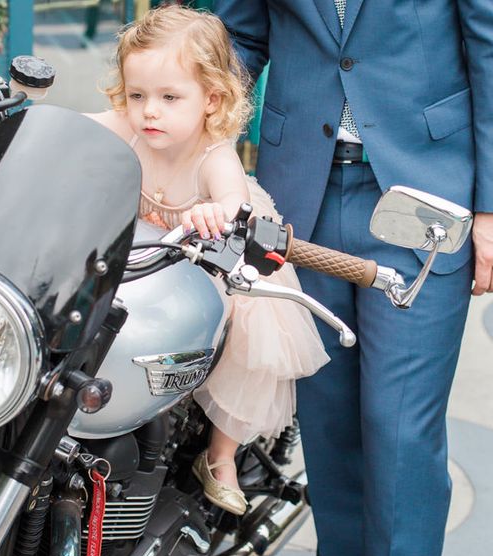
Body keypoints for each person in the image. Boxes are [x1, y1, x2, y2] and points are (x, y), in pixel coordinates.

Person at [214, 1, 493, 556]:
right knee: (331, 445)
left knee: (400, 447)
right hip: (300, 194)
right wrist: (175, 121)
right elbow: (236, 32)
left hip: (426, 199)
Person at [86, 6, 329, 516]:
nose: (150, 111)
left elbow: (233, 198)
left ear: (211, 99)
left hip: (220, 259)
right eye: (138, 95)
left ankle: (220, 456)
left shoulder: (211, 154)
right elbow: (75, 129)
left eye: (170, 97)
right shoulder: (131, 128)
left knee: (250, 340)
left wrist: (220, 210)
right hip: (147, 257)